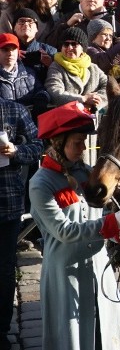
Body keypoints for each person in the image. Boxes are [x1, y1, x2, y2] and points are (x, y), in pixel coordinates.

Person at [29, 101, 120, 348]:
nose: (83, 148)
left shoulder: (86, 174)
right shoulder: (40, 183)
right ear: (58, 143)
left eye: (84, 142)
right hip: (65, 274)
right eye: (77, 143)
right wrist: (111, 224)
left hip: (98, 267)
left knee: (107, 334)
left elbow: (98, 219)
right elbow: (63, 231)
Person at [0, 93, 41, 350]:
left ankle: (1, 329)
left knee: (4, 271)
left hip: (8, 203)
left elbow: (39, 144)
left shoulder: (14, 111)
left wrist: (16, 151)